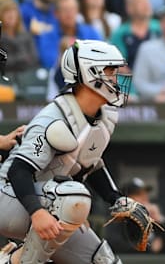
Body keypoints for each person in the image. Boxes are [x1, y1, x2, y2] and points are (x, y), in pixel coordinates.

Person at [0, 39, 138, 264]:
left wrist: (117, 200)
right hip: (9, 197)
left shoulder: (104, 115)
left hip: (48, 201)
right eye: (110, 71)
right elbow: (18, 171)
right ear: (89, 73)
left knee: (103, 261)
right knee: (74, 197)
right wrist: (38, 212)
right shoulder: (54, 118)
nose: (116, 78)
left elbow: (91, 164)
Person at [106, 177, 165, 254]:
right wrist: (148, 249)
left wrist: (160, 220)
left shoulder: (153, 221)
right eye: (138, 194)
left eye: (145, 194)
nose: (144, 198)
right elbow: (116, 245)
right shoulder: (119, 219)